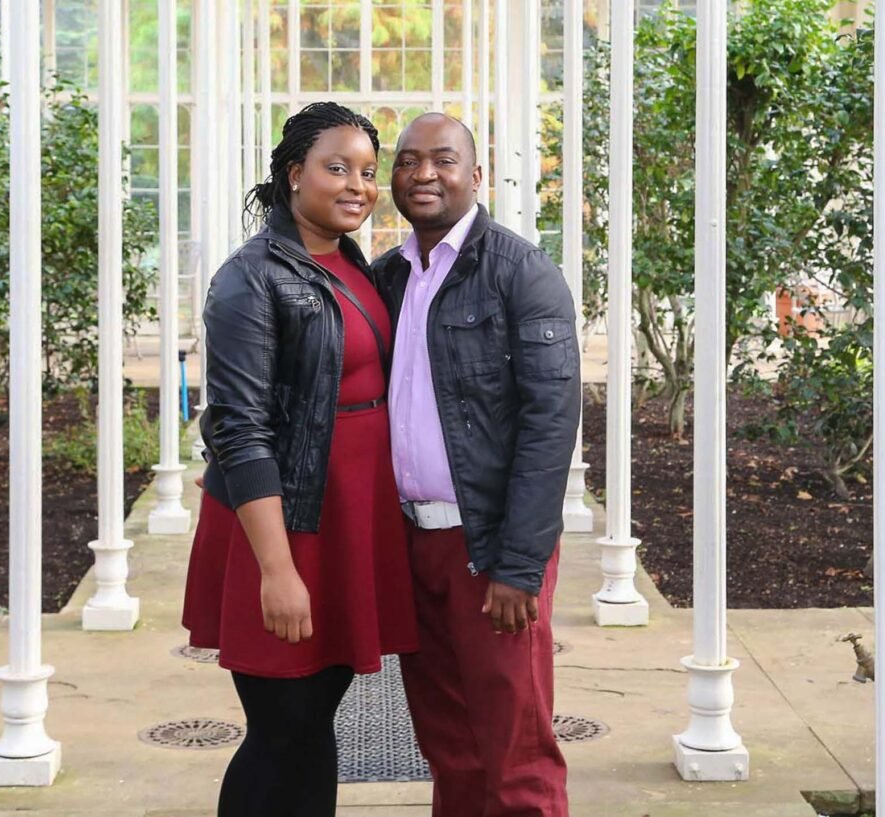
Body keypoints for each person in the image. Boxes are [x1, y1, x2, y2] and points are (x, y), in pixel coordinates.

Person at [182, 101, 418, 817]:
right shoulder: (248, 278)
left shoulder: (352, 263)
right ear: (293, 175)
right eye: (336, 167)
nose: (357, 185)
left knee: (315, 719)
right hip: (284, 524)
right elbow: (239, 427)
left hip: (350, 517)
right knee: (281, 726)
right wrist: (278, 571)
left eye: (369, 172)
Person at [372, 112, 581, 817]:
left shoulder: (522, 273)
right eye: (407, 161)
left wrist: (520, 564)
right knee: (448, 742)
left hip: (487, 547)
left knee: (515, 748)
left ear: (476, 175)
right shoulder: (387, 279)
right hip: (411, 544)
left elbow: (551, 425)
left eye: (442, 160)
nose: (423, 174)